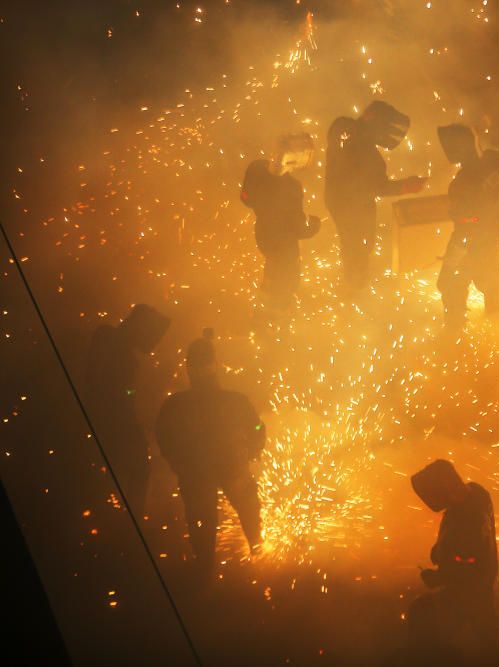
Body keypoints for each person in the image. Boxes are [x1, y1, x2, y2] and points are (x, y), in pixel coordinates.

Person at [155, 329, 266, 579]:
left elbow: (163, 436)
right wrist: (253, 450)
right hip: (229, 465)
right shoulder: (235, 400)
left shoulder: (176, 404)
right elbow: (257, 427)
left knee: (202, 519)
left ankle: (205, 567)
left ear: (189, 369)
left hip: (196, 471)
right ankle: (258, 551)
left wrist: (176, 462)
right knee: (246, 506)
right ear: (215, 366)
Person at [325, 101, 426, 294]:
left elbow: (377, 185)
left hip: (353, 201)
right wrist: (404, 186)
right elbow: (375, 185)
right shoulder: (344, 129)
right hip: (346, 204)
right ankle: (354, 287)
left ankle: (355, 281)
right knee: (356, 245)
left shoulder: (367, 150)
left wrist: (404, 186)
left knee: (362, 243)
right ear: (371, 117)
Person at [407, 459, 498, 663]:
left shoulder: (469, 518)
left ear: (445, 490)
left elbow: (468, 566)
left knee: (423, 617)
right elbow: (459, 547)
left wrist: (437, 577)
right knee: (486, 640)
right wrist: (439, 551)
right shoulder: (475, 495)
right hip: (475, 588)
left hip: (468, 592)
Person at [85, 303, 170, 515]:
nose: (152, 345)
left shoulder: (121, 347)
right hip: (107, 422)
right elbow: (104, 387)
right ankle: (129, 524)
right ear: (141, 328)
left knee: (136, 469)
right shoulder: (110, 341)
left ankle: (128, 519)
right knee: (133, 469)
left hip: (115, 421)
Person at [435, 124, 499, 331]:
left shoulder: (462, 184)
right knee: (492, 279)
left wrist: (460, 244)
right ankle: (495, 323)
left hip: (469, 241)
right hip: (494, 234)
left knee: (449, 284)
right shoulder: (496, 159)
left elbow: (465, 220)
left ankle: (454, 334)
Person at [240, 132, 322, 310]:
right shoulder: (292, 188)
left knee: (272, 271)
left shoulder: (256, 167)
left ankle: (265, 306)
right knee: (286, 280)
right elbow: (299, 228)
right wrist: (315, 225)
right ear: (294, 159)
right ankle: (277, 313)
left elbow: (246, 199)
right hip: (284, 243)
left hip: (263, 233)